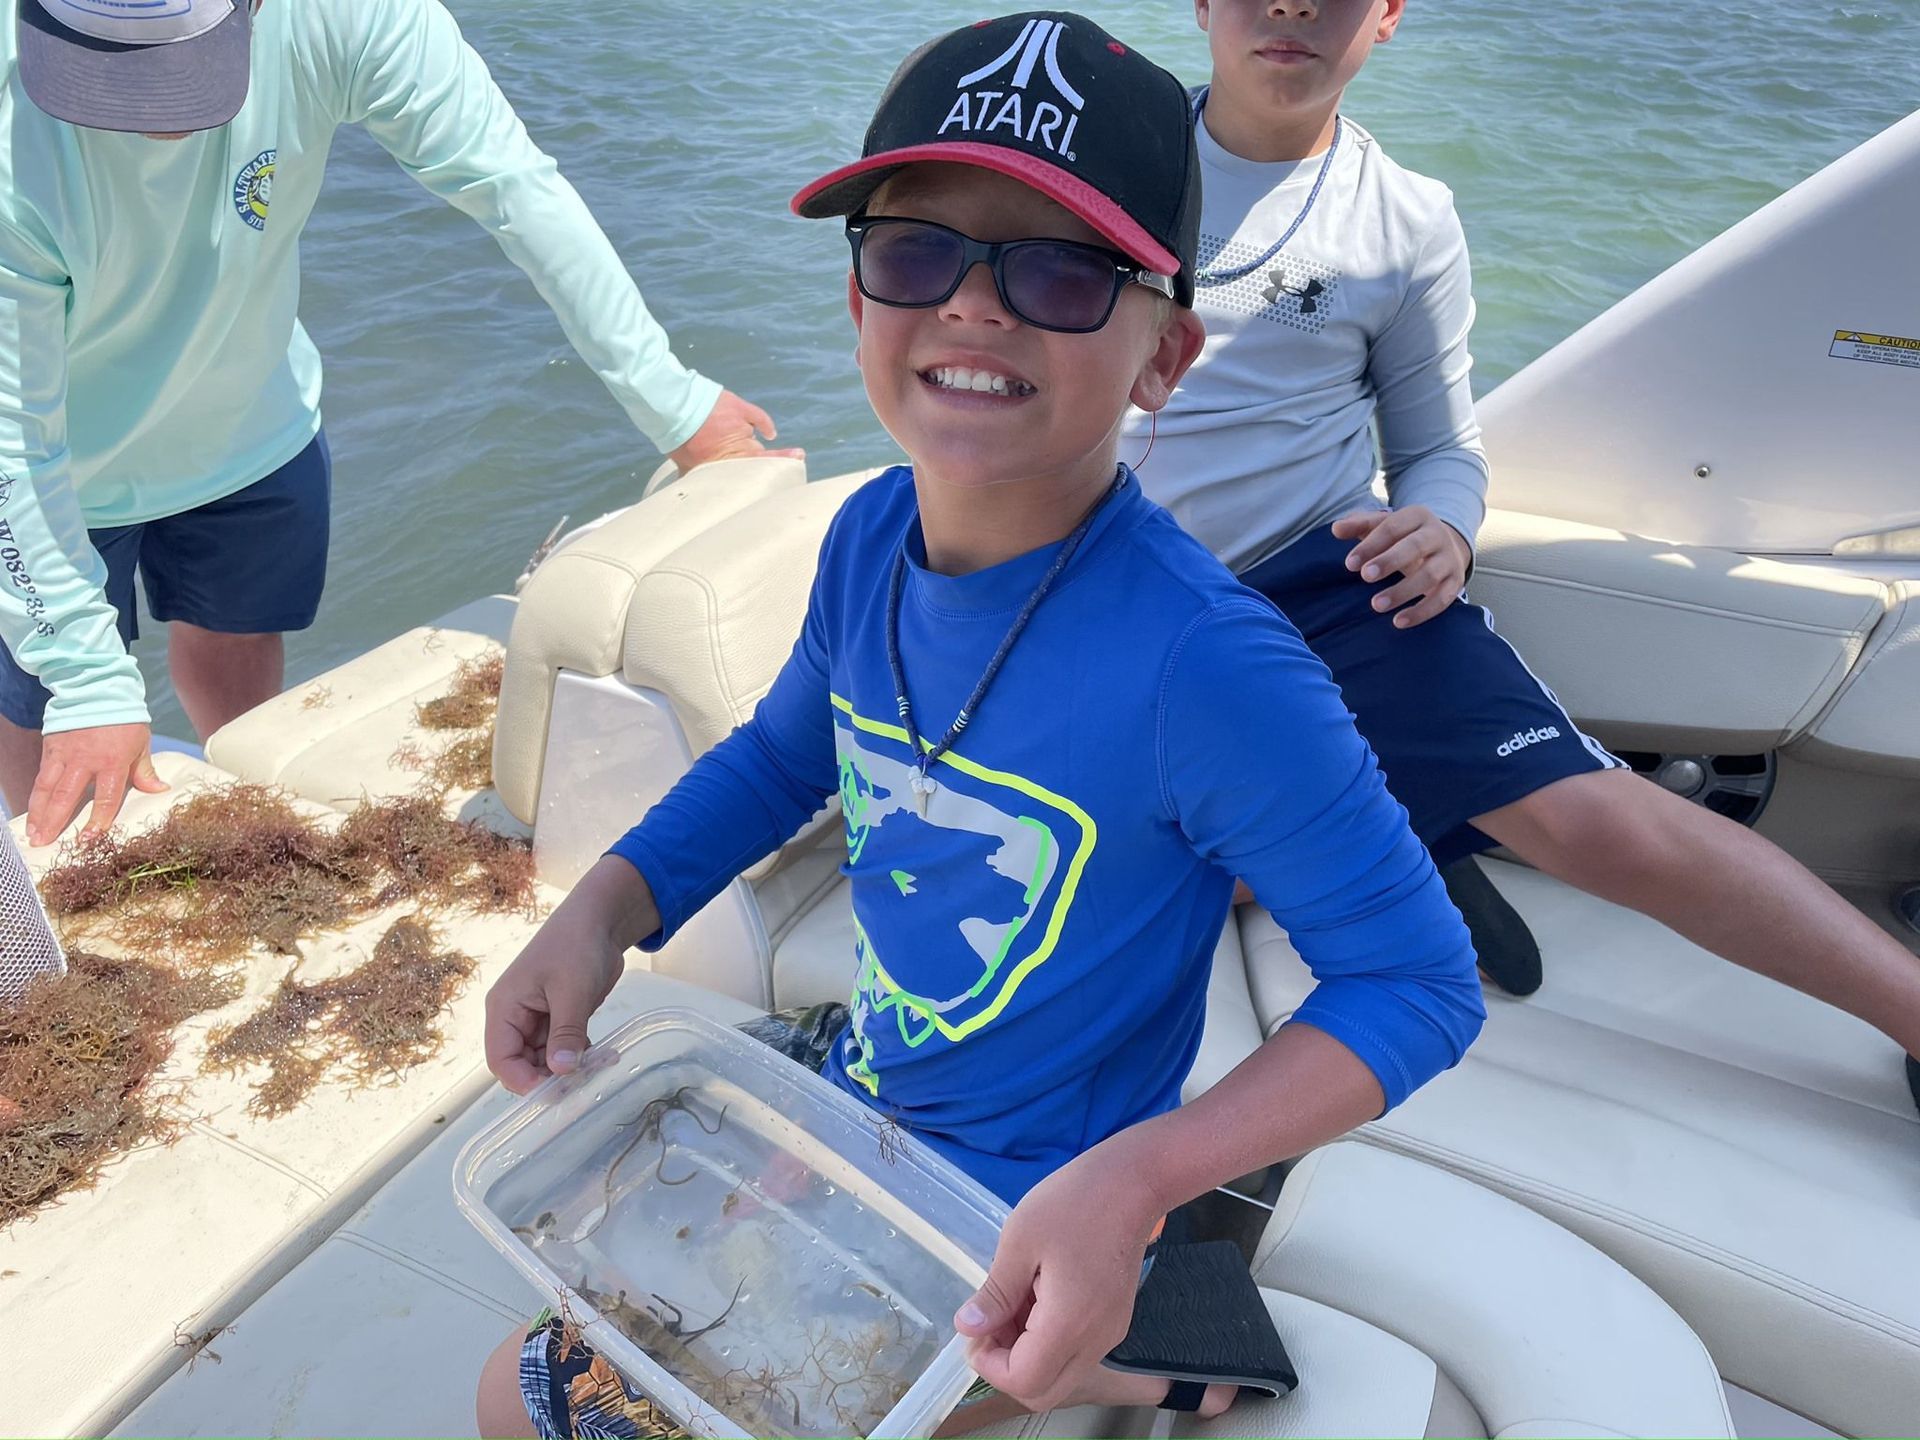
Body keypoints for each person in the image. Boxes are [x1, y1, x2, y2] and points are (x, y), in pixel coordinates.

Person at [475, 12, 1483, 1436]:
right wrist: (600, 910)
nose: (972, 308)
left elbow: (1419, 982)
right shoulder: (869, 533)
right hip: (865, 1081)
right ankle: (1138, 1359)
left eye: (1064, 270)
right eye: (914, 251)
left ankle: (1116, 1328)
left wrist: (1141, 1179)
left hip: (1037, 1192)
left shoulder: (1209, 667)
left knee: (529, 1415)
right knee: (534, 1348)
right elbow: (783, 756)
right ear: (857, 303)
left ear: (1165, 355)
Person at [1121, 0, 1920, 1105]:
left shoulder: (1403, 218)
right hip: (1108, 584)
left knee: (1594, 817)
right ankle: (1403, 825)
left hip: (1324, 580)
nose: (1294, 6)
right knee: (1126, 861)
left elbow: (1442, 444)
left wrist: (1443, 525)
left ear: (1388, 15)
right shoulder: (1102, 151)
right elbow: (936, 289)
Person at [0, 0, 793, 848]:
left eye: (174, 67)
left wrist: (671, 401)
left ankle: (248, 823)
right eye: (107, 64)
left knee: (242, 699)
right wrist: (87, 677)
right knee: (46, 755)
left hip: (247, 426)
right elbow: (15, 438)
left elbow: (513, 185)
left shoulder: (345, 16)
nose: (144, 110)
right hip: (53, 481)